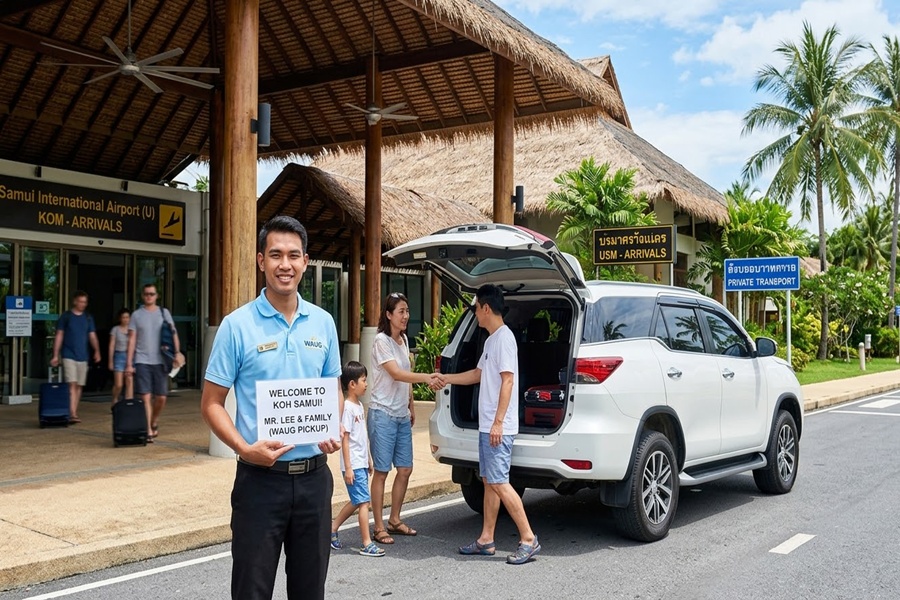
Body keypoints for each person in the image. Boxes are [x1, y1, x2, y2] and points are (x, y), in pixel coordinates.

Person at [201, 215, 343, 600]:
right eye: (276, 254)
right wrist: (244, 449)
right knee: (251, 589)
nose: (285, 264)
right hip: (259, 482)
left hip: (315, 480)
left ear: (306, 261)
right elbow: (212, 404)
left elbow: (333, 389)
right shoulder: (237, 325)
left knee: (310, 590)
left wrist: (334, 426)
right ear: (260, 260)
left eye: (294, 255)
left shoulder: (324, 323)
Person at [437, 284, 541, 565]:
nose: (475, 315)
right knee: (489, 481)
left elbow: (508, 380)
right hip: (488, 426)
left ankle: (528, 539)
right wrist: (447, 379)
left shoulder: (504, 338)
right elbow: (477, 374)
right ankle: (486, 539)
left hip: (499, 427)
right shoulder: (491, 340)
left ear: (485, 307)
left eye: (475, 309)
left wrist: (497, 423)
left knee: (499, 482)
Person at [368, 291, 438, 546]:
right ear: (388, 315)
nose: (406, 316)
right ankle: (378, 526)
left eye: (407, 311)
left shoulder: (404, 339)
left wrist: (410, 406)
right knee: (382, 472)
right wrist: (427, 377)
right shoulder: (381, 341)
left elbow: (404, 376)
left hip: (400, 415)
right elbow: (396, 373)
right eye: (401, 312)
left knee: (405, 469)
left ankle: (394, 519)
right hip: (382, 414)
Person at [330, 361, 384, 557]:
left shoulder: (360, 406)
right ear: (352, 384)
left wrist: (368, 459)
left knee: (357, 500)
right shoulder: (348, 408)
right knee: (363, 502)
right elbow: (345, 439)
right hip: (353, 463)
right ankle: (366, 542)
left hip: (361, 461)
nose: (366, 384)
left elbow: (362, 437)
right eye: (363, 380)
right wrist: (349, 467)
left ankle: (332, 527)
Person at [126, 283, 182, 442]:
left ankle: (153, 420)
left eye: (152, 294)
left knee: (161, 397)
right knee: (145, 396)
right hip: (142, 360)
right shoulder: (136, 315)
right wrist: (129, 363)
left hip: (161, 361)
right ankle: (148, 430)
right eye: (146, 294)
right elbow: (131, 340)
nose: (149, 296)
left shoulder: (164, 313)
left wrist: (177, 353)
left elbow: (173, 334)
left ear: (156, 296)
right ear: (143, 296)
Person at [50, 290, 101, 424]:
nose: (83, 304)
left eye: (85, 302)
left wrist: (97, 351)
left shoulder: (88, 318)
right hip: (68, 354)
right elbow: (59, 335)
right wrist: (55, 355)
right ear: (74, 301)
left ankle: (73, 410)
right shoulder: (66, 317)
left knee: (79, 385)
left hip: (83, 356)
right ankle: (72, 413)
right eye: (80, 301)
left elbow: (92, 336)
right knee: (71, 383)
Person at [108, 308, 133, 405]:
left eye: (127, 317)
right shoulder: (115, 330)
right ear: (120, 319)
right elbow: (111, 345)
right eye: (123, 317)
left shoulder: (132, 329)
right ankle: (115, 398)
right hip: (119, 355)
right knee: (119, 384)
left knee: (129, 380)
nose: (126, 319)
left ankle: (129, 402)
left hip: (129, 356)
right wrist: (110, 361)